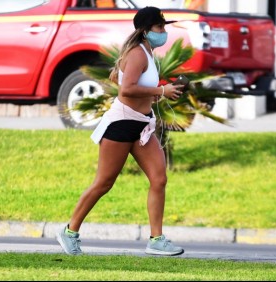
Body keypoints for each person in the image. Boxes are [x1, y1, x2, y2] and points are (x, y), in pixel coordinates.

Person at [56, 6, 186, 256]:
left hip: (142, 124)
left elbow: (128, 82)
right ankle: (69, 231)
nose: (164, 31)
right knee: (104, 183)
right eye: (160, 27)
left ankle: (156, 239)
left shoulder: (148, 53)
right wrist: (160, 92)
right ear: (146, 31)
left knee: (159, 178)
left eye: (164, 27)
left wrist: (159, 94)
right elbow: (126, 90)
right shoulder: (137, 54)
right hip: (122, 124)